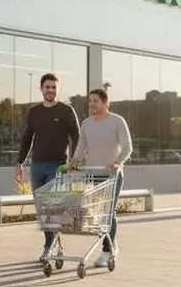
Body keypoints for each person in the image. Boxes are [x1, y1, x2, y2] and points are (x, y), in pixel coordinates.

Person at [16, 72, 81, 262]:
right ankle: (55, 243)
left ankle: (48, 247)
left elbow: (76, 136)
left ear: (57, 89)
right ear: (41, 89)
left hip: (58, 166)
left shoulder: (66, 111)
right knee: (41, 209)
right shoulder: (34, 112)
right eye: (47, 87)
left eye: (53, 87)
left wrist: (73, 160)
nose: (50, 90)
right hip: (37, 166)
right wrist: (20, 162)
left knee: (52, 207)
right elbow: (27, 138)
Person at [71, 88, 133, 268]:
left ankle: (107, 251)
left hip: (112, 175)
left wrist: (117, 162)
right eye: (90, 101)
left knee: (108, 212)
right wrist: (74, 162)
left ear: (106, 103)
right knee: (98, 214)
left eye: (96, 101)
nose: (92, 104)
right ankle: (111, 245)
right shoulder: (86, 123)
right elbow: (81, 147)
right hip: (92, 175)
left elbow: (127, 147)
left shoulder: (117, 121)